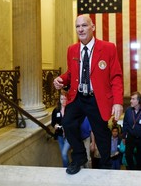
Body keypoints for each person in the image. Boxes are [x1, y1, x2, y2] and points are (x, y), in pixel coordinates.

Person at [53, 14, 124, 175]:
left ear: (93, 27)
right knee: (68, 122)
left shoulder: (108, 48)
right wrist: (61, 79)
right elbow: (71, 74)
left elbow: (116, 76)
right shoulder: (72, 49)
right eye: (78, 26)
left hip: (97, 99)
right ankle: (79, 157)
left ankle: (106, 166)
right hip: (78, 97)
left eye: (84, 25)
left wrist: (118, 101)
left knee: (102, 135)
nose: (80, 29)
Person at [122, 91, 141, 170]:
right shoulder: (128, 110)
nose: (130, 101)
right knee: (128, 155)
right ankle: (130, 169)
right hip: (130, 137)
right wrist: (124, 136)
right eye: (131, 99)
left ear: (138, 101)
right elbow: (125, 124)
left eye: (133, 99)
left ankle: (139, 170)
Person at [51, 91, 70, 167]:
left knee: (64, 153)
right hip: (60, 135)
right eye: (62, 99)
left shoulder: (70, 110)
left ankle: (67, 168)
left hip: (69, 135)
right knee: (63, 155)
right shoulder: (56, 110)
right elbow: (53, 122)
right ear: (59, 100)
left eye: (65, 99)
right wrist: (55, 125)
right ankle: (65, 168)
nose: (63, 101)